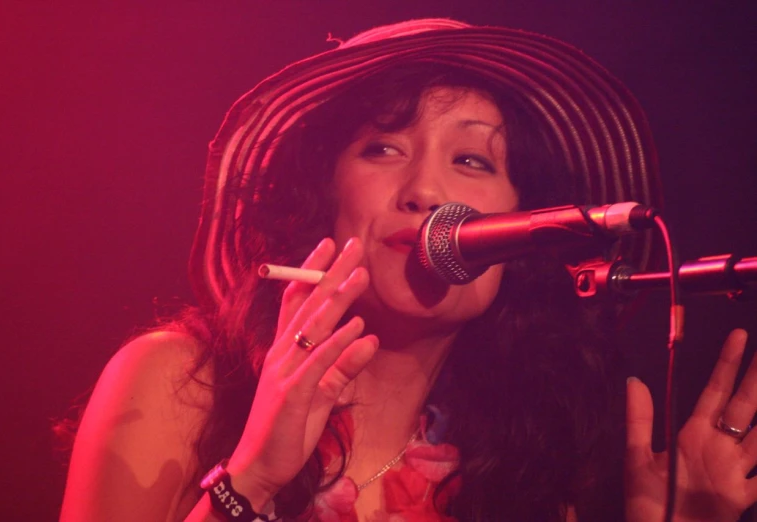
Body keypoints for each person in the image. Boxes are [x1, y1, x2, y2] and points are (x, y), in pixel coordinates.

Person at [59, 19, 757, 522]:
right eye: (384, 149)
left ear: (523, 230)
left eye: (472, 161)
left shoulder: (527, 456)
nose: (426, 191)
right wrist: (252, 477)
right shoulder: (176, 383)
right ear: (323, 198)